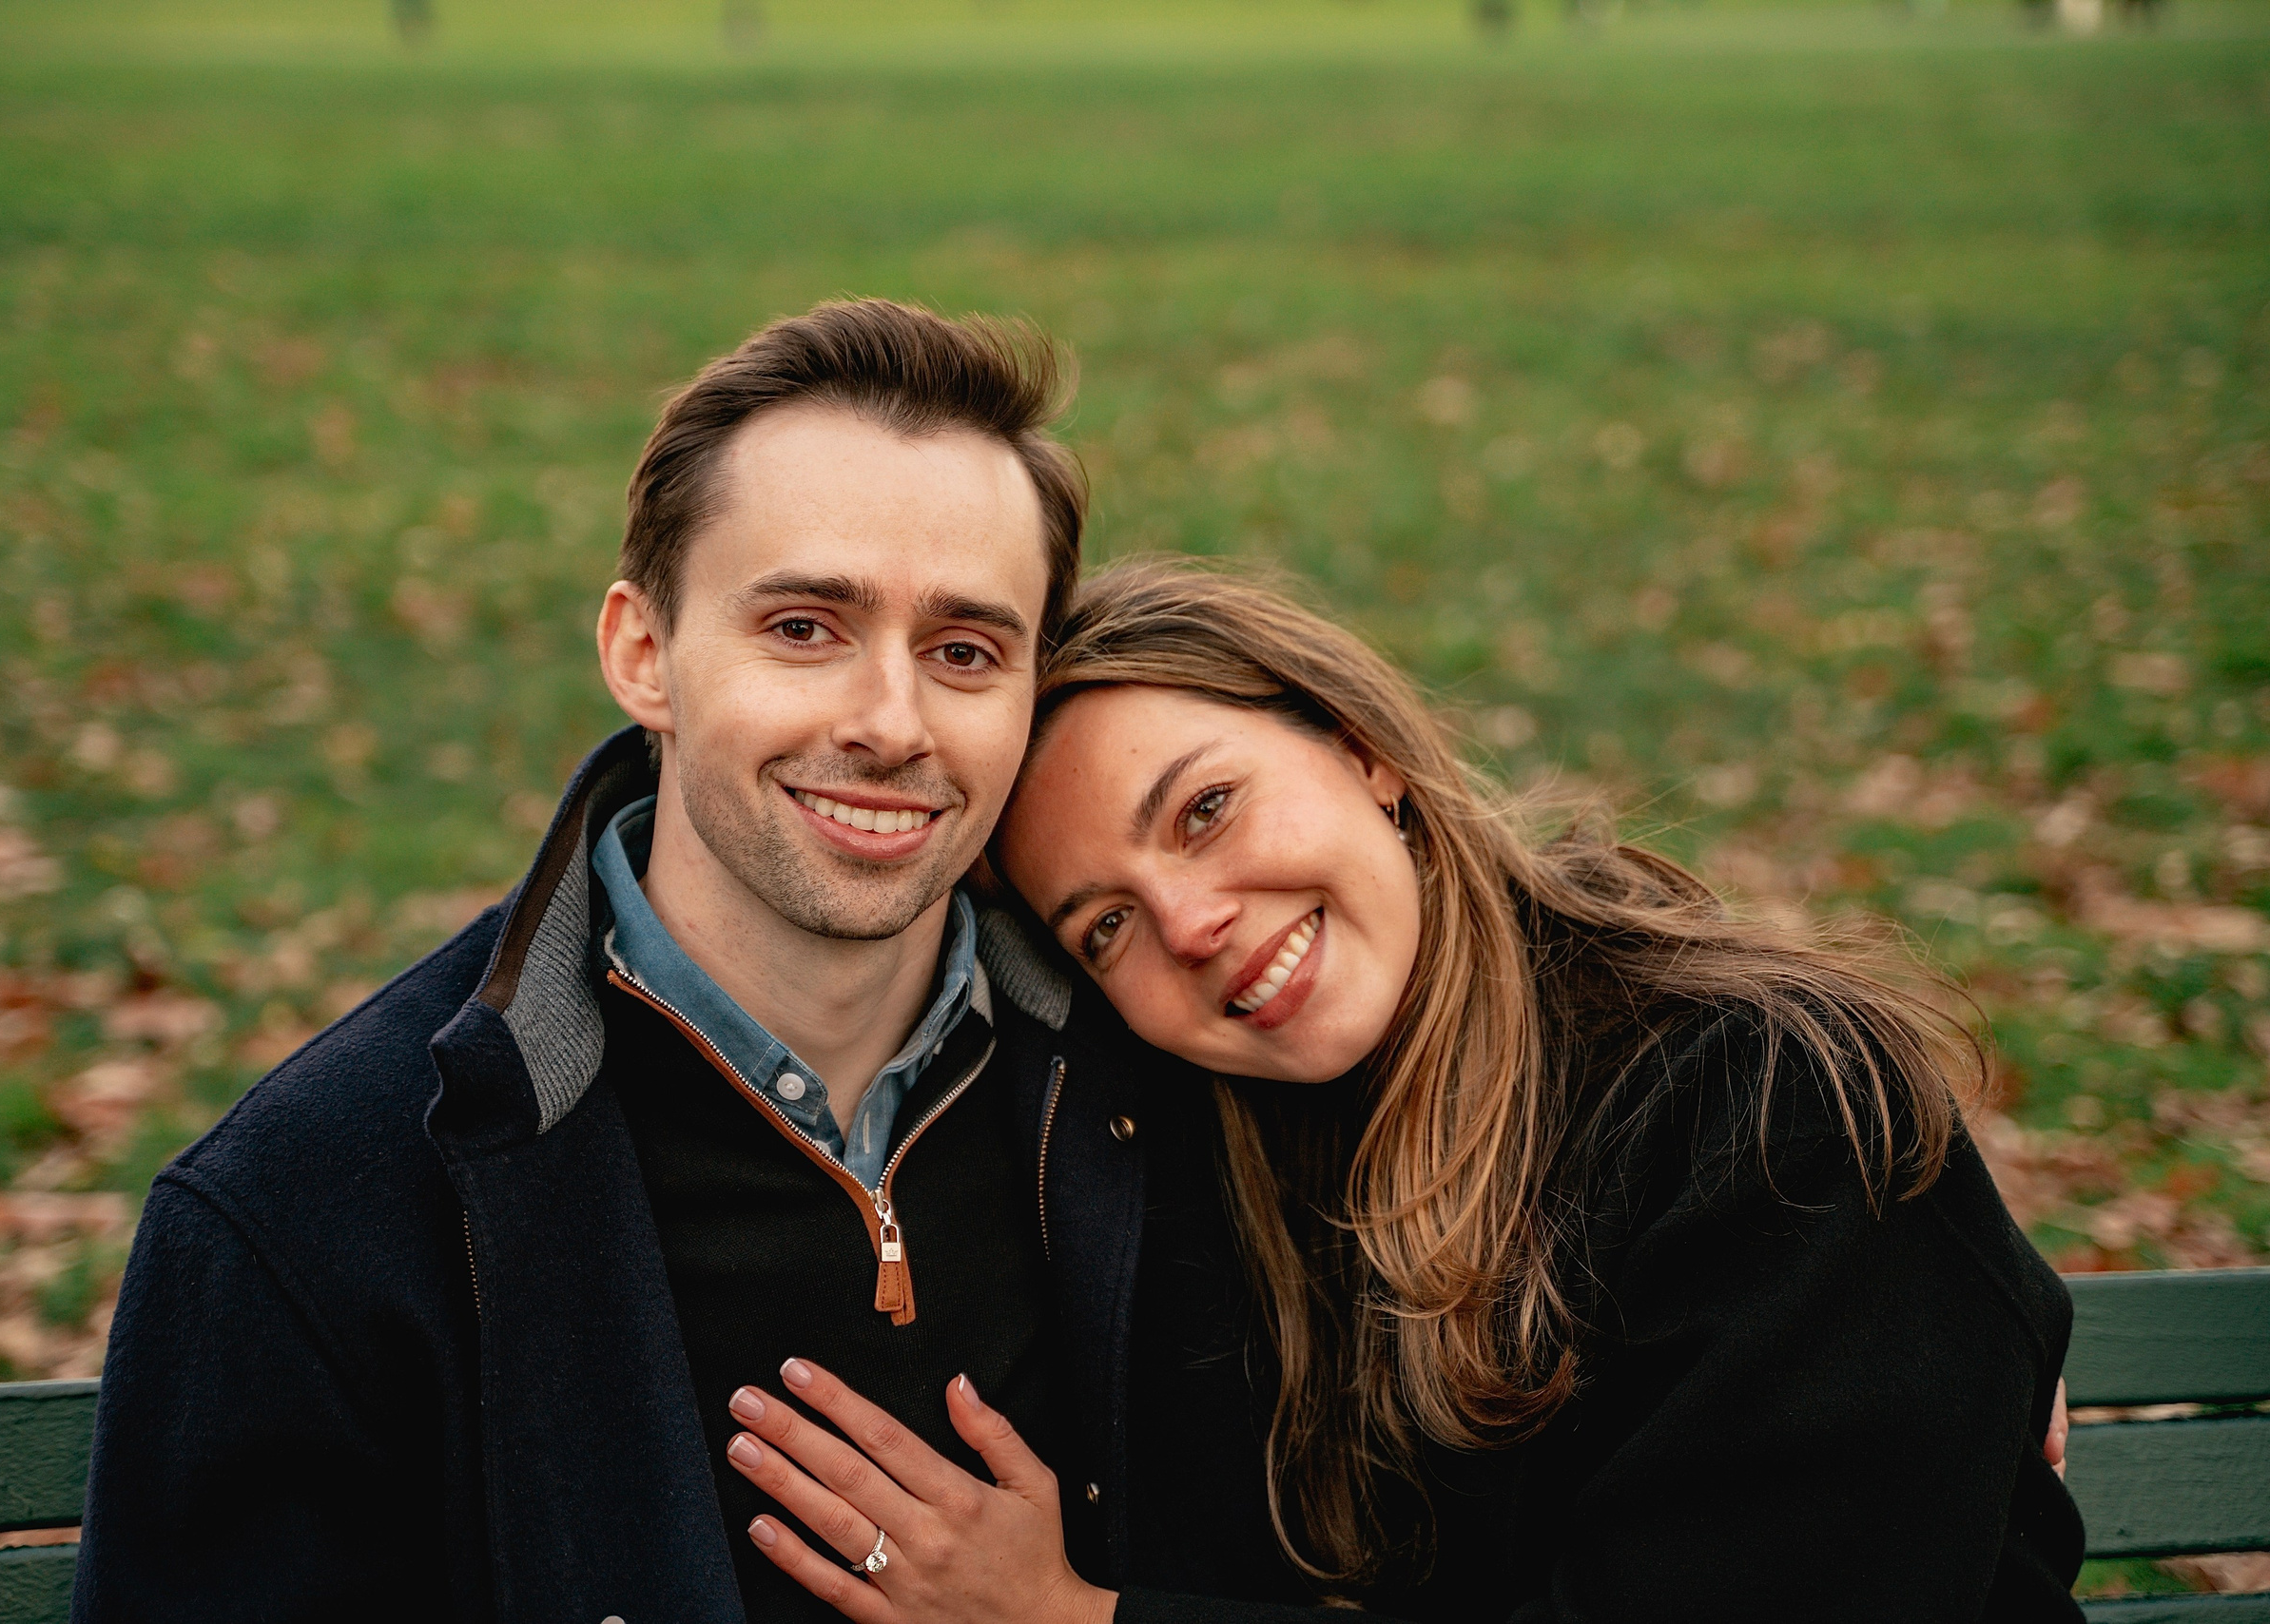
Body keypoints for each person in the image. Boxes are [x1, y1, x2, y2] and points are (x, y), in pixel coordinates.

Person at [716, 560, 2088, 1623]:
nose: (1191, 924)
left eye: (1204, 810)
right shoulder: (1226, 1157)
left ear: (1362, 748)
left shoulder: (1768, 1115)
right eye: (1105, 927)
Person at [72, 300, 1158, 1620]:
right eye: (805, 628)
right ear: (642, 654)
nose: (892, 723)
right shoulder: (314, 1209)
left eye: (966, 652)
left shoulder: (1137, 1094)